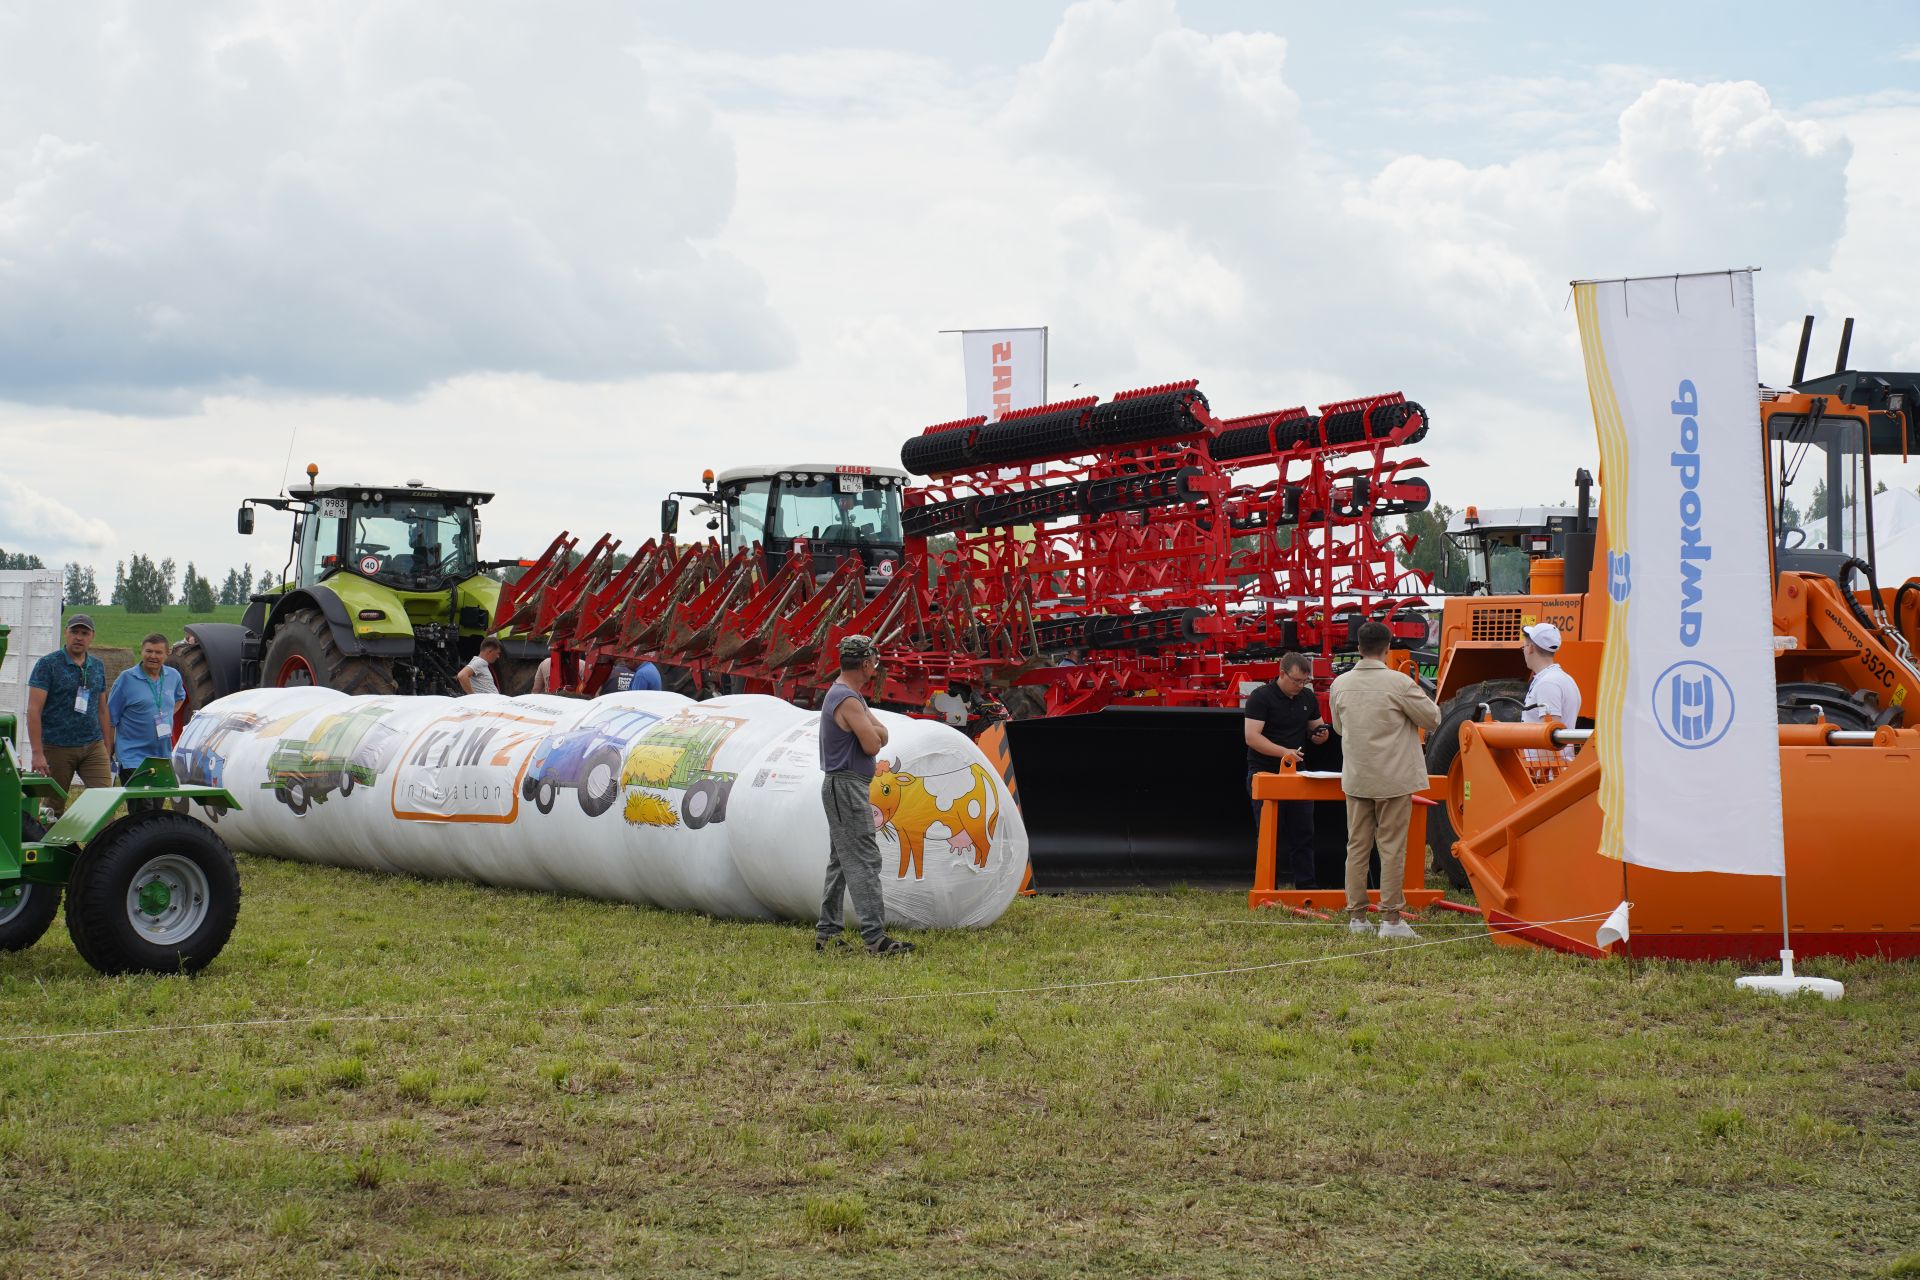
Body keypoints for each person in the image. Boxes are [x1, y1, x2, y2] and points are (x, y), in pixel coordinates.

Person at [1327, 620, 1440, 940]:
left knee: (1357, 845)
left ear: (1358, 647)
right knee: (1391, 848)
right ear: (1388, 647)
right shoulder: (1399, 683)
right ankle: (1390, 919)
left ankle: (1357, 916)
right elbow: (1432, 718)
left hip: (1357, 776)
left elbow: (1338, 727)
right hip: (1393, 778)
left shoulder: (1340, 684)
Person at [815, 634, 914, 956]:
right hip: (847, 787)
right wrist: (873, 734)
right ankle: (875, 938)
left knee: (842, 862)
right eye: (875, 662)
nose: (876, 668)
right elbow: (874, 743)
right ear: (867, 663)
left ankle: (827, 934)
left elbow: (879, 732)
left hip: (842, 786)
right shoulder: (848, 700)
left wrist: (873, 733)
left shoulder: (848, 696)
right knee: (865, 860)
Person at [1243, 651, 1330, 887]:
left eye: (1305, 681)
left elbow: (1317, 730)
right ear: (1282, 674)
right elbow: (1251, 737)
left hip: (1298, 775)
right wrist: (1284, 752)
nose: (1301, 686)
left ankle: (1306, 885)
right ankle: (1268, 885)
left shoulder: (1307, 698)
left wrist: (1321, 735)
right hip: (1265, 773)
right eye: (1296, 681)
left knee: (1303, 833)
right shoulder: (1261, 698)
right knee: (1270, 835)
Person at [26, 614, 113, 814]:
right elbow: (33, 710)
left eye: (84, 633)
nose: (79, 637)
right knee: (53, 807)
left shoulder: (97, 666)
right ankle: (52, 844)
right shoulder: (47, 665)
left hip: (92, 745)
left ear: (92, 636)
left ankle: (101, 844)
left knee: (105, 801)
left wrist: (107, 748)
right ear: (66, 633)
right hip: (57, 747)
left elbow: (102, 709)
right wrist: (37, 753)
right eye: (74, 632)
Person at [107, 632, 188, 782]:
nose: (153, 656)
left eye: (158, 652)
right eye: (149, 651)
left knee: (157, 804)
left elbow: (180, 697)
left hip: (162, 756)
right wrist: (108, 752)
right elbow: (110, 718)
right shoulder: (126, 679)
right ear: (141, 651)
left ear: (167, 654)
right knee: (141, 805)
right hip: (132, 756)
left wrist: (167, 714)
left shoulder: (173, 676)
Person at [1520, 622, 1581, 767]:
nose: (1523, 650)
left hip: (1547, 774)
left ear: (1531, 648)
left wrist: (1539, 775)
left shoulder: (1548, 683)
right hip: (1554, 770)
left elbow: (1550, 734)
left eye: (1524, 646)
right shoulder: (1563, 679)